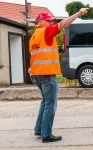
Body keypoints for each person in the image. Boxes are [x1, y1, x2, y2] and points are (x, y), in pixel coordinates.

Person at [29, 8, 89, 143]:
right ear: (41, 21)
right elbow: (63, 24)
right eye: (49, 21)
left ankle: (39, 129)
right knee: (50, 104)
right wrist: (79, 14)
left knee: (45, 101)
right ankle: (46, 135)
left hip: (36, 74)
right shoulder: (47, 32)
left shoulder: (34, 36)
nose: (51, 24)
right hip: (47, 74)